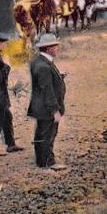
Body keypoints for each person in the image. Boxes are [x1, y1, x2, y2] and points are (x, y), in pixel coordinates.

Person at [28, 34, 67, 171]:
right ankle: (48, 162)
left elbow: (44, 82)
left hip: (40, 107)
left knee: (41, 133)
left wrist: (58, 77)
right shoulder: (43, 66)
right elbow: (47, 91)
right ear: (48, 48)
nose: (57, 48)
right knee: (48, 135)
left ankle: (41, 160)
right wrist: (55, 110)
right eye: (55, 46)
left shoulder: (38, 61)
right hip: (46, 108)